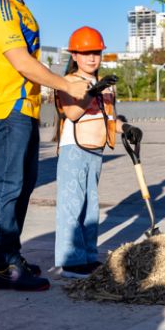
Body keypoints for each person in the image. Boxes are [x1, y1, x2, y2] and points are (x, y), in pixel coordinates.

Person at [0, 0, 90, 291]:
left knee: (23, 184)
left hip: (24, 108)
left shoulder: (21, 9)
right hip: (7, 106)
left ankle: (3, 254)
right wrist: (66, 85)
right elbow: (21, 62)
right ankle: (6, 268)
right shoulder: (2, 8)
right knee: (8, 185)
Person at [53, 26, 141, 279]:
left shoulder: (106, 86)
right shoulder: (68, 82)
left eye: (96, 53)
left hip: (95, 151)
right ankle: (70, 261)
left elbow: (110, 118)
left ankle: (88, 256)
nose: (92, 58)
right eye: (86, 53)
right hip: (73, 150)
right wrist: (92, 91)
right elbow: (72, 113)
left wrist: (127, 128)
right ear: (74, 55)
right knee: (72, 205)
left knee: (90, 207)